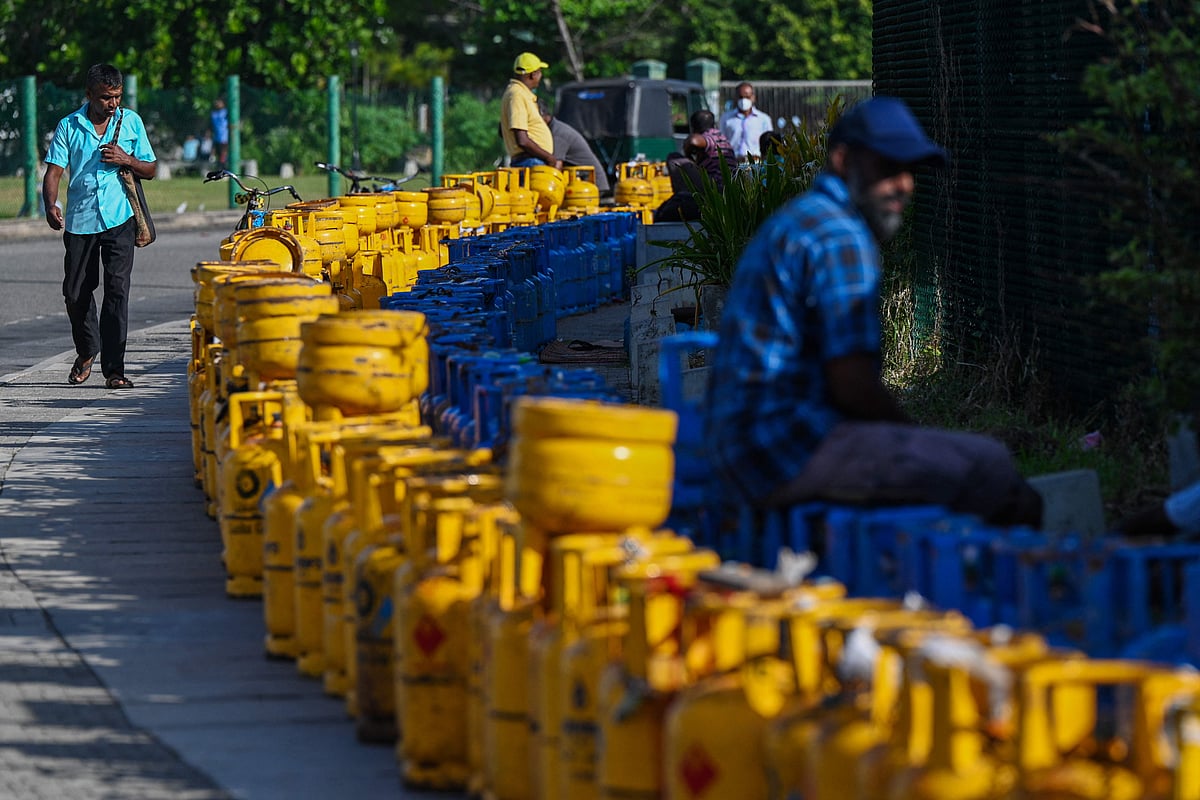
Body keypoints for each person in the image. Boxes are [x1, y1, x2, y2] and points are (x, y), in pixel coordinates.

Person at [705, 96, 1043, 527]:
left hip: (744, 445)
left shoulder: (805, 216)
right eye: (887, 168)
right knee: (991, 467)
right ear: (844, 160)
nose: (904, 184)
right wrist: (912, 437)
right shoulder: (840, 235)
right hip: (780, 451)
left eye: (909, 171)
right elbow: (852, 384)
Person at [42, 63, 157, 390]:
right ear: (89, 95)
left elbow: (150, 168)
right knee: (76, 293)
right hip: (80, 220)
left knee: (117, 292)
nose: (113, 103)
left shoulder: (130, 122)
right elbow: (53, 173)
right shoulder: (69, 126)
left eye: (117, 96)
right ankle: (87, 349)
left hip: (119, 218)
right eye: (106, 97)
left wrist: (127, 160)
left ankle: (114, 370)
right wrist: (51, 205)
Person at [654, 109, 735, 222]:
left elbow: (693, 141)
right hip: (725, 185)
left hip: (716, 185)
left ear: (693, 127)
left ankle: (683, 196)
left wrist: (688, 154)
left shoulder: (710, 135)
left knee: (674, 158)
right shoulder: (722, 137)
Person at [500, 52, 561, 170]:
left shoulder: (519, 93)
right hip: (530, 163)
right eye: (540, 72)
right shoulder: (517, 95)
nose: (541, 76)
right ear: (533, 75)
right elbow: (522, 140)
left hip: (531, 161)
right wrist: (549, 158)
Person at [540, 103, 610, 193]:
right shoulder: (553, 130)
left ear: (543, 116)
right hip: (581, 183)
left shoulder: (559, 133)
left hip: (592, 186)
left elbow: (556, 167)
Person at [719, 81, 773, 162]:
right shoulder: (726, 118)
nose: (744, 100)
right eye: (741, 97)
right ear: (736, 98)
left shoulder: (763, 119)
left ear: (753, 97)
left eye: (747, 97)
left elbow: (769, 143)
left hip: (756, 164)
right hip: (733, 162)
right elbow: (721, 142)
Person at [210, 97, 229, 170]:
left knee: (223, 153)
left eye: (219, 103)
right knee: (218, 153)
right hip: (216, 137)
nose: (217, 104)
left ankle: (223, 168)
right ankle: (220, 169)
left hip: (224, 137)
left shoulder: (226, 112)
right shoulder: (213, 113)